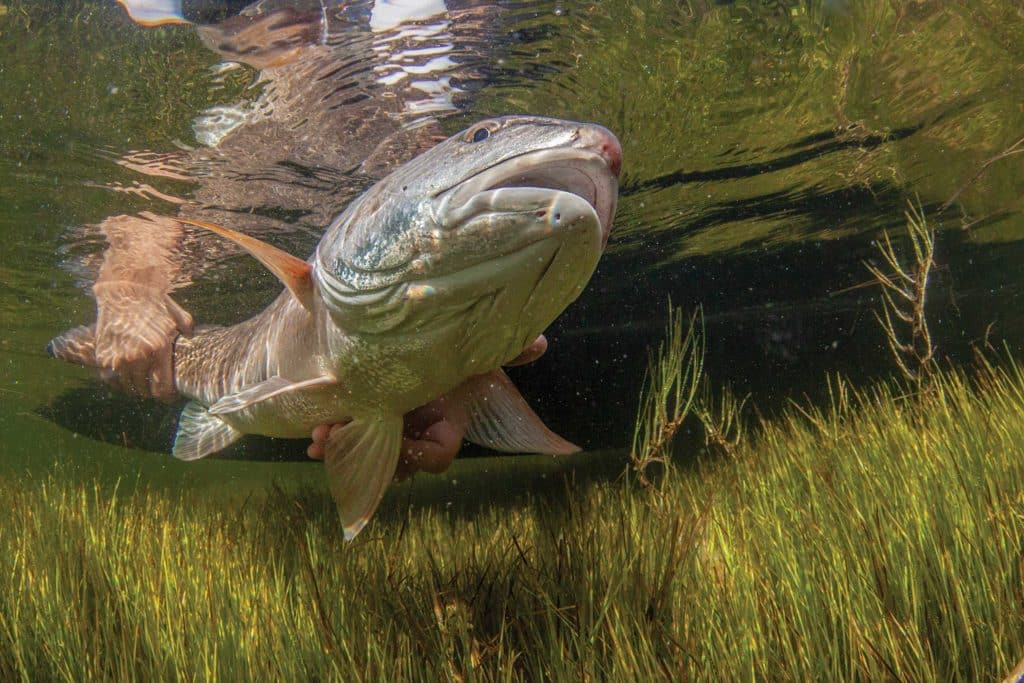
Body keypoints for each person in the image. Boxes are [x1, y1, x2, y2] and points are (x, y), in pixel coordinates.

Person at [56, 0, 537, 478]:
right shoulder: (201, 127)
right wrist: (128, 291)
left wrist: (445, 375)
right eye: (219, 5)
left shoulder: (430, 55)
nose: (268, 19)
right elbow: (141, 222)